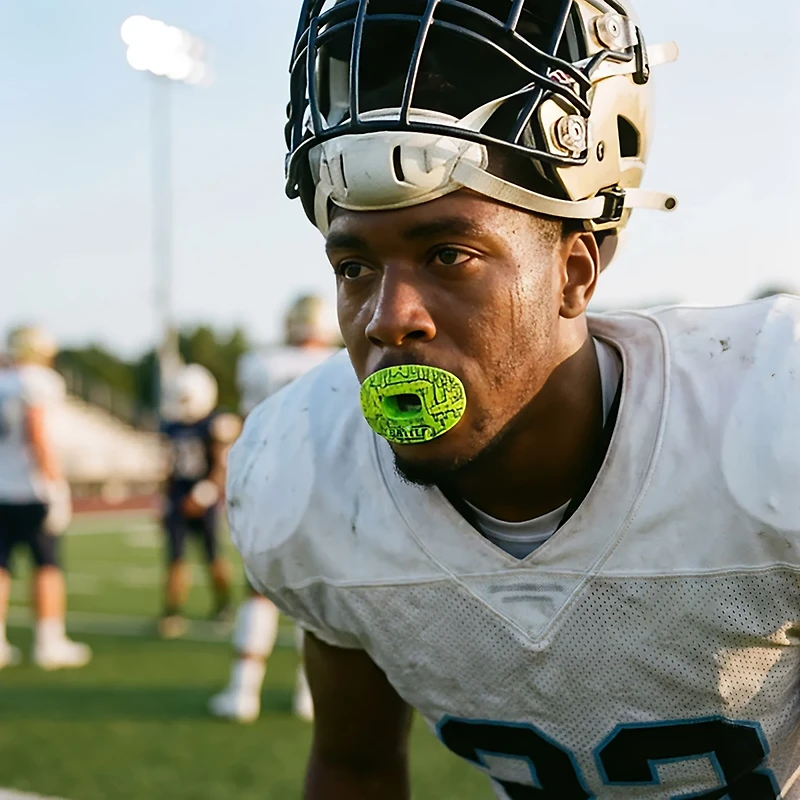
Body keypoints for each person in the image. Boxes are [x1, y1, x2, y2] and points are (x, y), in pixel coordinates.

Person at [228, 1, 800, 797]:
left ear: (575, 272)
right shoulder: (309, 472)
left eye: (449, 254)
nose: (391, 317)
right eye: (354, 266)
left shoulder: (771, 417)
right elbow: (355, 765)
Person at [209, 295, 340, 723]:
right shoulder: (345, 361)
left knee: (259, 592)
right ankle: (310, 693)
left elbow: (250, 429)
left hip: (271, 486)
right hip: (329, 489)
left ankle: (243, 691)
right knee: (320, 594)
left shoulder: (261, 363)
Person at [0, 326, 91, 670]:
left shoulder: (3, 379)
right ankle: (48, 641)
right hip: (30, 488)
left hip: (1, 487)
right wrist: (55, 484)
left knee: (2, 565)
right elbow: (36, 430)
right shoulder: (37, 381)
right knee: (47, 565)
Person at [158, 364, 240, 639]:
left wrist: (203, 494)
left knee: (212, 556)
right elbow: (168, 466)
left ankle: (224, 605)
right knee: (175, 558)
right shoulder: (171, 426)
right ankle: (172, 611)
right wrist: (164, 498)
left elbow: (221, 464)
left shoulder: (215, 424)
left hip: (202, 496)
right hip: (178, 496)